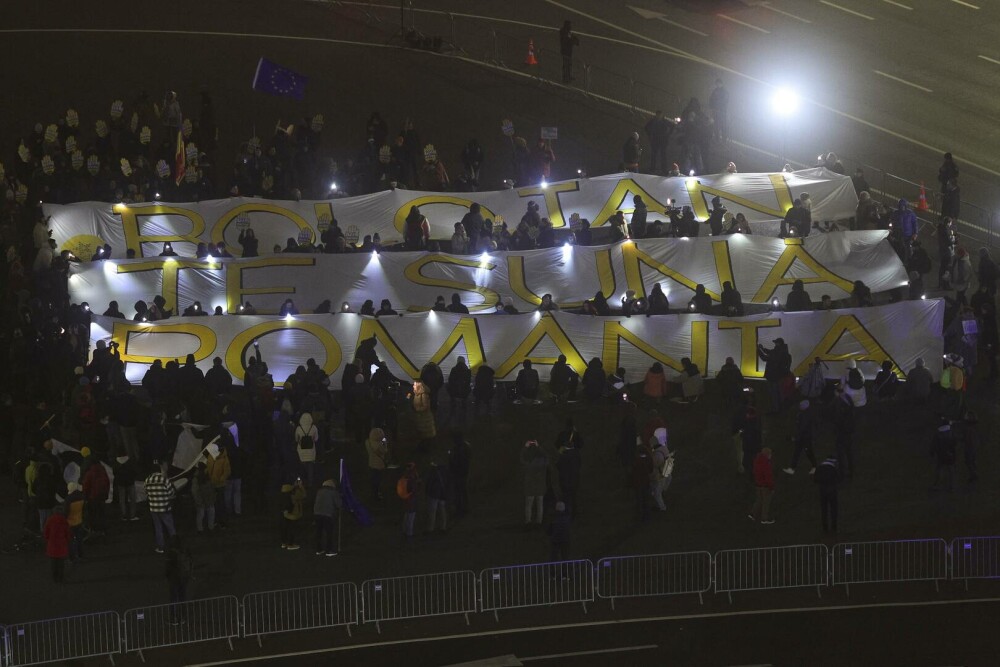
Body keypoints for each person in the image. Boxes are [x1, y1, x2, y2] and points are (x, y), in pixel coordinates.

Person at [145, 464, 176, 553]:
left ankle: (160, 547)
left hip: (153, 508)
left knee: (158, 528)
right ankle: (175, 545)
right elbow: (171, 493)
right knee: (170, 527)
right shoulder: (164, 479)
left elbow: (146, 493)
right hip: (165, 507)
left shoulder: (147, 480)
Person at [758, 338, 792, 412]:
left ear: (778, 344)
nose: (775, 344)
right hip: (781, 377)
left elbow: (765, 358)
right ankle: (782, 409)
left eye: (776, 343)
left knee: (774, 394)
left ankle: (776, 410)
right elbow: (770, 352)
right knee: (781, 393)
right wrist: (762, 348)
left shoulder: (777, 353)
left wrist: (758, 350)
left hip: (773, 377)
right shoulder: (785, 353)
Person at [784, 400, 817, 475]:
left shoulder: (804, 415)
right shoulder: (807, 413)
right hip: (804, 437)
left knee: (807, 452)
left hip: (805, 438)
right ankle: (792, 468)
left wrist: (796, 436)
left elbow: (802, 428)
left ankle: (814, 466)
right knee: (799, 452)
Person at [520, 441, 547, 527]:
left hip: (530, 487)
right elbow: (546, 456)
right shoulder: (543, 463)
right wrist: (539, 446)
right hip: (540, 487)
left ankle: (528, 522)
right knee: (540, 505)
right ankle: (539, 522)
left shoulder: (529, 464)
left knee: (528, 505)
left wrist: (525, 447)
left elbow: (521, 459)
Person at [831, 386, 856, 476]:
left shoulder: (839, 403)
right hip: (849, 429)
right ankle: (851, 468)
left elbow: (838, 418)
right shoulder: (848, 399)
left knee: (841, 452)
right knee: (849, 450)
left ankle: (842, 471)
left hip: (842, 430)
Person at [165, 535, 193, 613]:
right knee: (182, 595)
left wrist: (168, 575)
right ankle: (183, 613)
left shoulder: (172, 552)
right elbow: (190, 562)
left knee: (174, 596)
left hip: (174, 577)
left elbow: (169, 567)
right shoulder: (185, 550)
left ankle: (173, 615)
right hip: (184, 576)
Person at [314, 479, 341, 556]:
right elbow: (338, 504)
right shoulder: (333, 492)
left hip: (317, 514)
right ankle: (329, 550)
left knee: (319, 532)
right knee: (329, 533)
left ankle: (319, 549)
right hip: (328, 514)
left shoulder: (319, 491)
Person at [557, 434, 582, 516]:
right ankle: (572, 512)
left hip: (566, 479)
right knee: (572, 496)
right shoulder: (575, 454)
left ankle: (569, 512)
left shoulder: (564, 456)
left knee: (567, 496)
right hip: (572, 478)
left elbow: (558, 465)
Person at [748, 447, 775, 524]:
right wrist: (771, 487)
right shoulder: (766, 463)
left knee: (759, 500)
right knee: (766, 502)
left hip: (758, 484)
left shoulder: (757, 460)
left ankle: (752, 513)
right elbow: (768, 477)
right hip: (765, 486)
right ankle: (764, 518)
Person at [814, 455, 840, 534]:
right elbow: (838, 478)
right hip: (832, 491)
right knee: (833, 509)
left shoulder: (819, 468)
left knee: (824, 510)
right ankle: (834, 527)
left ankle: (825, 528)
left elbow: (815, 479)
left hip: (822, 491)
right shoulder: (833, 468)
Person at [44, 505, 71, 583]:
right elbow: (67, 533)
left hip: (52, 545)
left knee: (53, 563)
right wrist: (67, 540)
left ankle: (54, 578)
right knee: (61, 564)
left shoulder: (50, 520)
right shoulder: (64, 521)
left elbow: (46, 532)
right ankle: (60, 579)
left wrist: (47, 539)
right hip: (62, 546)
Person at [449, 432, 472, 518]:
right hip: (462, 471)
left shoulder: (460, 448)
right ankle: (463, 507)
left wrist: (452, 462)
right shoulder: (465, 447)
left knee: (459, 490)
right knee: (461, 490)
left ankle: (461, 508)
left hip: (460, 471)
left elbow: (458, 461)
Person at [930, 418, 956, 492]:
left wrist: (932, 452)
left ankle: (937, 485)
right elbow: (955, 442)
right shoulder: (951, 432)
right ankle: (952, 487)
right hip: (950, 454)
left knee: (940, 469)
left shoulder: (938, 433)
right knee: (951, 470)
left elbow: (934, 444)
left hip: (941, 454)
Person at [425, 460, 450, 533]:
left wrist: (427, 492)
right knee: (442, 510)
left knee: (432, 511)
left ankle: (430, 528)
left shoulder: (433, 472)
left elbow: (429, 483)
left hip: (434, 494)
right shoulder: (445, 471)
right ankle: (443, 527)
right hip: (442, 494)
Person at [280, 479, 306, 550]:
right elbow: (303, 495)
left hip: (285, 514)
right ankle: (290, 544)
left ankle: (284, 543)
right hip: (293, 514)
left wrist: (294, 486)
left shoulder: (283, 493)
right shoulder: (294, 493)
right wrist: (301, 486)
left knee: (285, 529)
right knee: (292, 530)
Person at [631, 442, 654, 522]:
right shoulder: (648, 459)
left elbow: (632, 471)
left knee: (639, 501)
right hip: (645, 482)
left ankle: (639, 518)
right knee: (646, 500)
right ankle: (647, 517)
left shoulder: (636, 460)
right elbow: (651, 469)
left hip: (638, 483)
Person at [191, 462, 216, 532]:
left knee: (208, 512)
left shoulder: (205, 476)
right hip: (202, 500)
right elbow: (195, 491)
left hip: (207, 499)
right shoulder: (196, 479)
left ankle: (209, 527)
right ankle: (201, 529)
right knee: (202, 514)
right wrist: (198, 501)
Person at [399, 463, 420, 540]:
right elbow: (414, 490)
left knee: (406, 515)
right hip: (411, 500)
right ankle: (409, 534)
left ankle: (404, 531)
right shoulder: (412, 479)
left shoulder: (404, 477)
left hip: (405, 499)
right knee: (411, 517)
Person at [960, 411, 979, 482]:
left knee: (968, 461)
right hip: (974, 446)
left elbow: (966, 439)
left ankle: (973, 475)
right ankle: (974, 474)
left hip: (969, 447)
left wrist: (959, 439)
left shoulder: (967, 429)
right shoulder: (973, 428)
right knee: (973, 461)